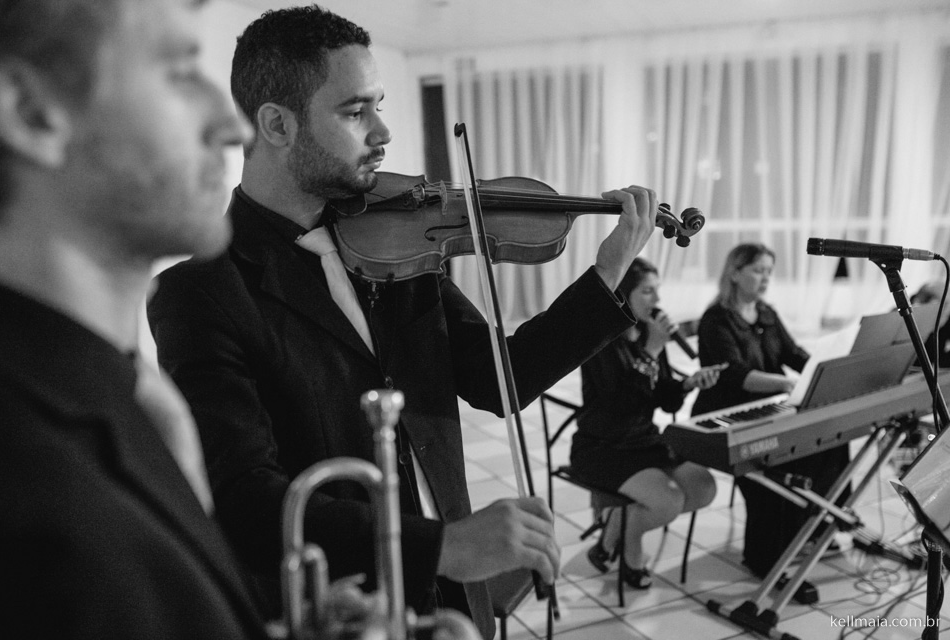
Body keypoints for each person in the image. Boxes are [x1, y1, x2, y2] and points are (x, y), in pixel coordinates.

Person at [146, 5, 658, 638]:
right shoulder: (200, 293)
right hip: (342, 611)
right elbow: (247, 501)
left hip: (453, 596)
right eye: (355, 111)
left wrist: (606, 276)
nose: (383, 131)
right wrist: (441, 545)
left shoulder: (395, 243)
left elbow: (503, 379)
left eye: (379, 105)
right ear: (277, 125)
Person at [0, 0, 270, 638]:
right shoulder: (19, 487)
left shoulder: (120, 391)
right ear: (32, 112)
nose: (236, 127)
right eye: (179, 71)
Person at [691, 243, 849, 596]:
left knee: (831, 441)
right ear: (735, 272)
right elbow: (736, 375)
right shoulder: (716, 319)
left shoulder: (766, 312)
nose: (765, 278)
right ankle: (766, 557)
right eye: (758, 270)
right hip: (726, 416)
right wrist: (789, 382)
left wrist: (825, 370)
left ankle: (816, 525)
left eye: (769, 271)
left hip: (769, 407)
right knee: (774, 467)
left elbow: (794, 354)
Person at [571, 257, 722, 589]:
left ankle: (613, 529)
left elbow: (664, 400)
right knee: (667, 501)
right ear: (623, 294)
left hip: (644, 440)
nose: (657, 302)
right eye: (647, 292)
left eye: (657, 292)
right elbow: (619, 405)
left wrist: (687, 384)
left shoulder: (649, 335)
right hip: (603, 446)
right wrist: (652, 352)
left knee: (703, 487)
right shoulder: (601, 340)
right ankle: (630, 557)